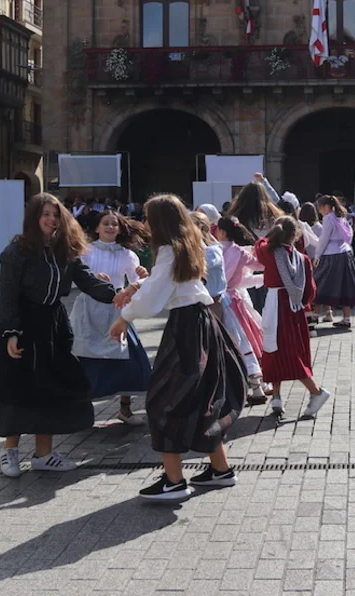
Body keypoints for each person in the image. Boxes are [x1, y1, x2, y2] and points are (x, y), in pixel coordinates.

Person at [110, 194, 246, 500]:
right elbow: (168, 282)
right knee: (202, 398)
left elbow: (155, 295)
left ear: (160, 221)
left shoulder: (169, 250)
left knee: (164, 402)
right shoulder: (188, 244)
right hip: (201, 322)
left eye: (148, 217)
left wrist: (124, 317)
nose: (145, 222)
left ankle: (173, 482)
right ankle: (221, 470)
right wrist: (135, 287)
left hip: (186, 327)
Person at [0, 193, 118, 478]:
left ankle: (44, 454)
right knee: (18, 388)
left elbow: (88, 282)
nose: (52, 219)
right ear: (34, 217)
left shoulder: (66, 249)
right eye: (46, 214)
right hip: (24, 325)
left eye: (55, 214)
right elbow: (8, 297)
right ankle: (9, 451)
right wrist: (10, 333)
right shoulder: (16, 251)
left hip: (54, 325)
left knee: (52, 389)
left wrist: (120, 295)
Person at [69, 210, 151, 427]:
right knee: (85, 361)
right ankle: (81, 411)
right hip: (88, 312)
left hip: (116, 310)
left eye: (114, 224)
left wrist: (142, 276)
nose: (110, 227)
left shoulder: (127, 255)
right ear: (97, 228)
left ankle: (125, 408)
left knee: (129, 360)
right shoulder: (85, 251)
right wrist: (93, 279)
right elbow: (76, 279)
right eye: (105, 223)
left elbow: (137, 283)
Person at [254, 216, 332, 418]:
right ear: (296, 235)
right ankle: (277, 398)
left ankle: (316, 391)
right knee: (289, 351)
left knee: (277, 351)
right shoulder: (302, 259)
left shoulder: (269, 252)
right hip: (294, 309)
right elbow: (310, 291)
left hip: (275, 306)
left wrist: (270, 234)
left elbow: (258, 244)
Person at [217, 216, 268, 406]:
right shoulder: (239, 252)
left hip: (218, 301)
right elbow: (260, 265)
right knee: (245, 341)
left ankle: (233, 389)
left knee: (231, 342)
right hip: (235, 299)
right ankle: (257, 387)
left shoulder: (212, 250)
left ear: (222, 231)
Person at [313, 195, 355, 330]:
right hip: (346, 253)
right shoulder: (341, 217)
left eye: (320, 208)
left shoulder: (328, 218)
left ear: (326, 207)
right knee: (346, 285)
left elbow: (324, 239)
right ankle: (346, 318)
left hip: (331, 255)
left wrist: (317, 255)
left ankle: (314, 317)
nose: (319, 211)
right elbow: (350, 234)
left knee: (320, 284)